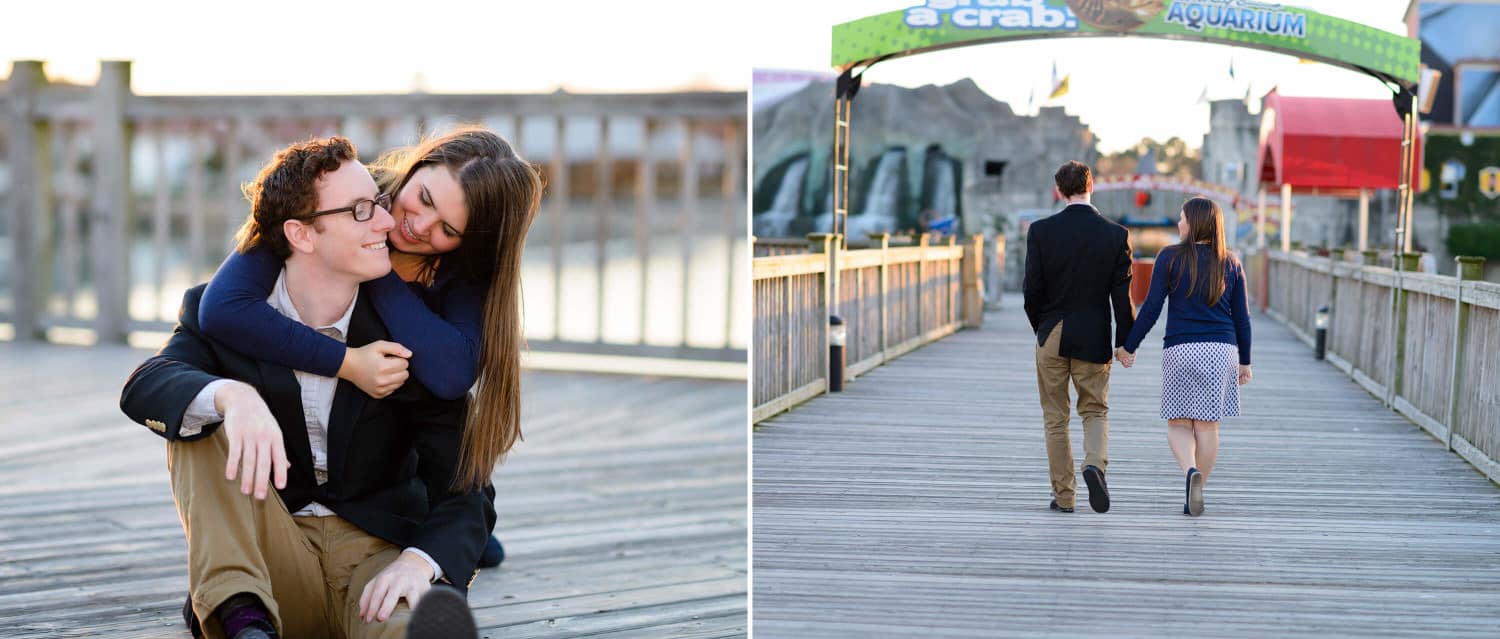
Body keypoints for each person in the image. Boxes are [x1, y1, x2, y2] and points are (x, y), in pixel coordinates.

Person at [121, 137, 490, 639]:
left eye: (380, 204)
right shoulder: (233, 313)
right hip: (273, 556)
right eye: (364, 210)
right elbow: (147, 386)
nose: (392, 223)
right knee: (204, 411)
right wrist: (234, 396)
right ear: (301, 233)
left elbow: (468, 487)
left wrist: (422, 561)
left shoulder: (411, 338)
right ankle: (243, 622)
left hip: (376, 559)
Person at [197, 126, 543, 567]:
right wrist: (344, 361)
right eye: (425, 199)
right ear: (417, 166)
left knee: (456, 497)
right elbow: (222, 308)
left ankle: (448, 518)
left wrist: (374, 269)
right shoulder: (340, 201)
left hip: (396, 443)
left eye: (447, 229)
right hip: (303, 448)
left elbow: (452, 372)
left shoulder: (458, 270)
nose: (416, 226)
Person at [1118, 196, 1253, 517]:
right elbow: (1242, 318)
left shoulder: (1169, 257)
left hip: (1181, 349)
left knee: (1179, 423)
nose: (1178, 224)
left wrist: (1129, 346)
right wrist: (1245, 361)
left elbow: (1152, 308)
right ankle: (1199, 488)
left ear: (1193, 223)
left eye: (1181, 219)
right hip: (1221, 351)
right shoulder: (1230, 262)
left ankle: (1189, 471)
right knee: (1207, 428)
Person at [1023, 161, 1136, 514]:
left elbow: (1031, 291)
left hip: (1052, 331)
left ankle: (1065, 497)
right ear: (1092, 187)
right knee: (1095, 410)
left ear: (1059, 191)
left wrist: (1041, 328)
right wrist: (1125, 342)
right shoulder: (1116, 235)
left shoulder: (1041, 231)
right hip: (1093, 334)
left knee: (1055, 417)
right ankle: (1095, 465)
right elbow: (1122, 297)